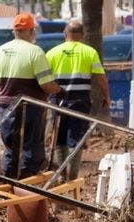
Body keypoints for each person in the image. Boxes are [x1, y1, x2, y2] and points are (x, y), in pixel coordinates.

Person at [0, 13, 61, 179]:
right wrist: (59, 90)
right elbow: (46, 85)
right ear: (31, 31)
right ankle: (27, 184)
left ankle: (9, 181)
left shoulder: (0, 51)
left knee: (10, 148)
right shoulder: (35, 52)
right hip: (31, 108)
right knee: (32, 147)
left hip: (6, 108)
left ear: (15, 31)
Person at [45, 19, 110, 176]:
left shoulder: (52, 52)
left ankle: (62, 174)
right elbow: (100, 78)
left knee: (59, 138)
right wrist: (106, 96)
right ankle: (72, 176)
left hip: (57, 101)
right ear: (82, 35)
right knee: (77, 137)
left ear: (65, 34)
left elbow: (44, 80)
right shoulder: (89, 52)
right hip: (80, 101)